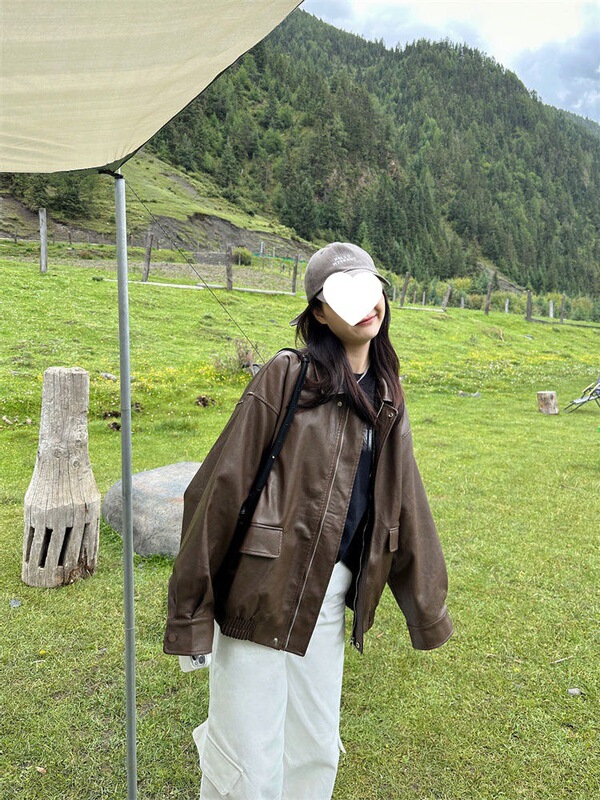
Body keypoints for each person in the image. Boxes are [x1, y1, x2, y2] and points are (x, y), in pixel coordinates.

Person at [164, 242, 453, 800]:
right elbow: (217, 490)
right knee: (246, 756)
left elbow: (407, 504)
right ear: (319, 312)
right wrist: (190, 612)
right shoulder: (286, 377)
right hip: (260, 592)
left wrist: (427, 611)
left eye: (371, 288)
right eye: (345, 294)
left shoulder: (388, 396)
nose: (366, 305)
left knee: (314, 749)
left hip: (330, 596)